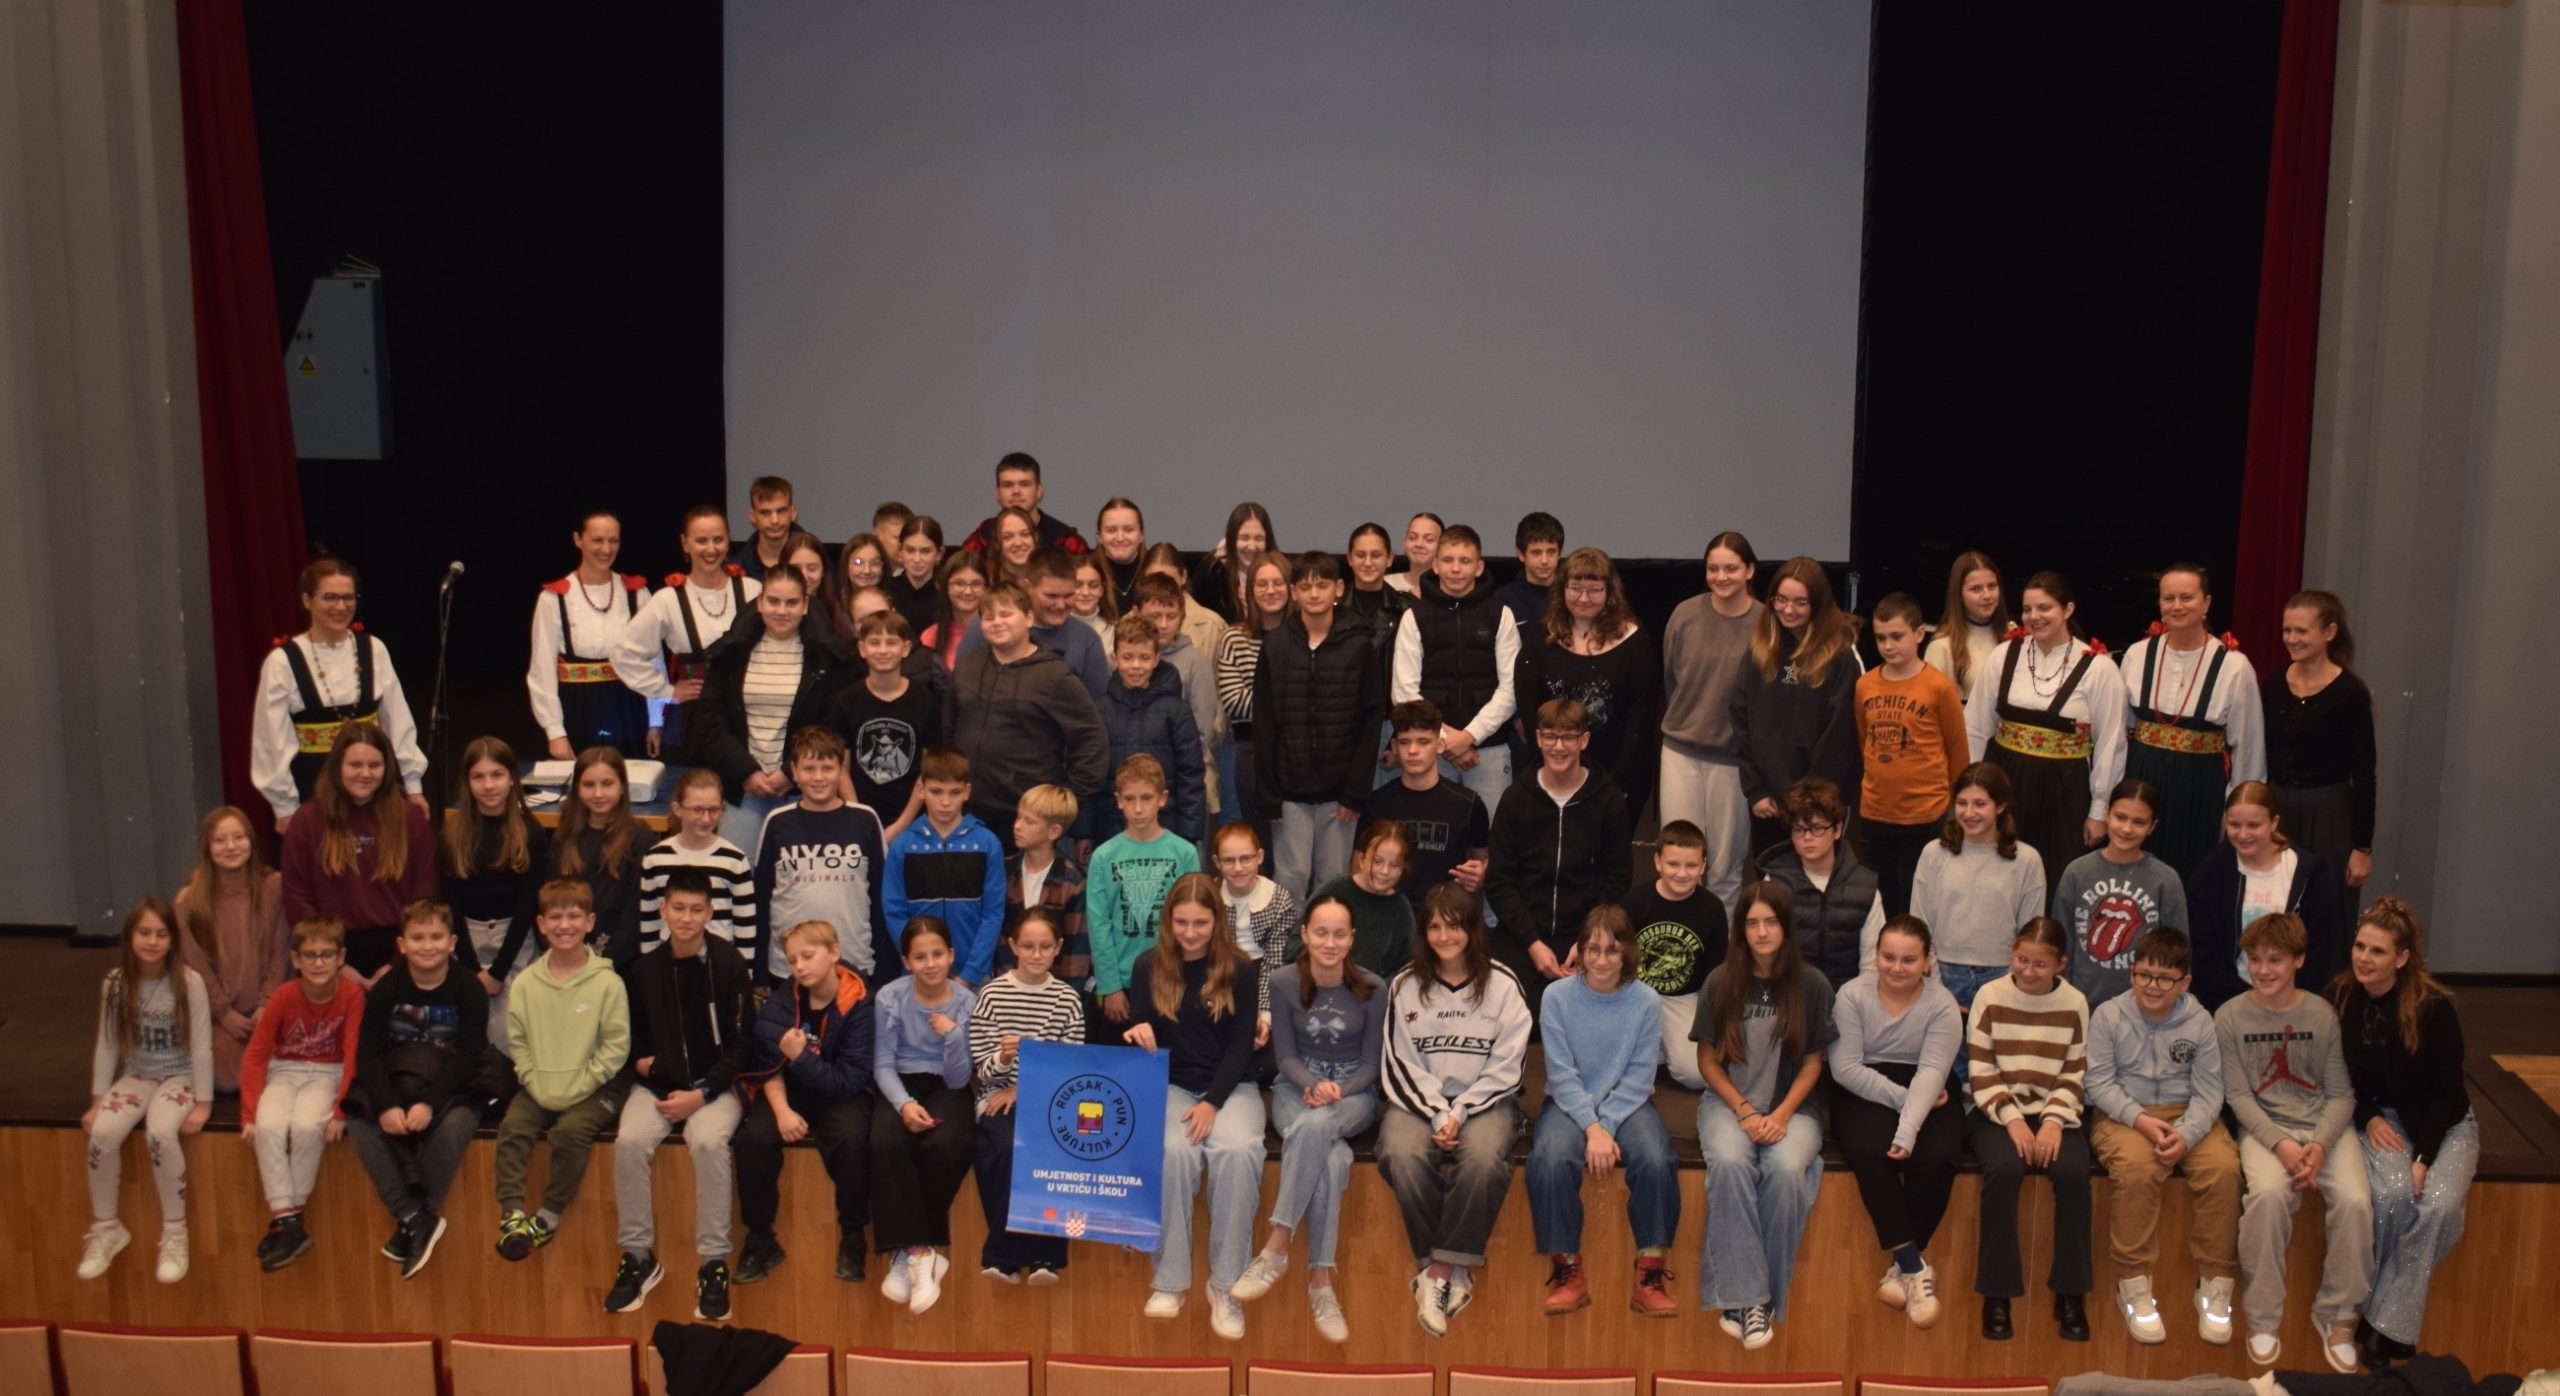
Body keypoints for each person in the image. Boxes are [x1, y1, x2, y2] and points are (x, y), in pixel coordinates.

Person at [2216, 910, 2370, 1372]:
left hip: (2324, 1128)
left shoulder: (2321, 1014)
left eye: (2275, 960)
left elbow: (2341, 1094)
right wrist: (2281, 1144)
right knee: (2265, 1197)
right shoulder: (2229, 1016)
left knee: (2356, 1202)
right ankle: (2263, 1318)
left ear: (2298, 960)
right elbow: (2238, 1097)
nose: (2263, 970)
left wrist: (2319, 1145)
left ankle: (2338, 1315)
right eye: (2255, 960)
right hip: (2266, 1130)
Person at [1379, 883, 1533, 1338]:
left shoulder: (1503, 984)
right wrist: (1436, 1112)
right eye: (1434, 927)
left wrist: (1460, 1111)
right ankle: (1449, 1271)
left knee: (1483, 1159)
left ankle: (1438, 1272)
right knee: (1401, 1154)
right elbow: (1399, 1062)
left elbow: (1509, 1065)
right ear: (1423, 932)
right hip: (1419, 1103)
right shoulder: (1405, 985)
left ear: (1472, 928)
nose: (1444, 936)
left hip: (1485, 1102)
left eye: (1454, 926)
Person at [607, 869, 759, 1321]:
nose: (687, 918)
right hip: (657, 1087)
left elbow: (742, 1046)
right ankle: (638, 1257)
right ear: (663, 910)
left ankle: (713, 1264)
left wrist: (703, 1092)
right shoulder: (643, 970)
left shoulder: (729, 964)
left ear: (710, 912)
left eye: (696, 910)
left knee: (708, 1142)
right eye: (678, 908)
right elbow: (631, 1041)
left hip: (717, 1086)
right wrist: (645, 1065)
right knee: (629, 1141)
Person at [1228, 893, 1379, 1343]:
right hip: (1296, 1087)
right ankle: (1320, 1283)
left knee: (1316, 1127)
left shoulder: (1373, 986)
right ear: (1305, 934)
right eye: (1321, 933)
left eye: (1339, 934)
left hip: (1353, 1092)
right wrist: (1312, 1084)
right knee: (1332, 1158)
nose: (1329, 943)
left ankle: (1276, 1246)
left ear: (1352, 939)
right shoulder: (1282, 980)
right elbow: (1286, 1055)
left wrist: (1338, 1090)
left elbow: (1372, 1063)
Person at [2332, 896, 2474, 1370]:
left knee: (2440, 1208)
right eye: (2360, 946)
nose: (2364, 958)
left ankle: (2380, 1323)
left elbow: (2448, 1092)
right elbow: (2341, 1077)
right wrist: (2369, 1116)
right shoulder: (2342, 998)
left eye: (2377, 951)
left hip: (2444, 1124)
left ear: (2402, 957)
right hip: (2384, 1118)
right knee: (2391, 1198)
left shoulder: (2434, 1008)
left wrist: (2424, 1158)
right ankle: (2393, 1325)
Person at [1693, 880, 1835, 1350]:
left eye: (1771, 922)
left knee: (1787, 1169)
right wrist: (1744, 1110)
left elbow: (1814, 1062)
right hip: (1728, 1104)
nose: (1761, 932)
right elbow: (1707, 1060)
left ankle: (1749, 1301)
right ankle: (1754, 1301)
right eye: (1752, 923)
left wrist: (1781, 1115)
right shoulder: (1720, 982)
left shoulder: (1812, 985)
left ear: (1786, 926)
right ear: (1740, 930)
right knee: (1731, 1162)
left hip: (1793, 1108)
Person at [2085, 927, 2241, 1348]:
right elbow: (2098, 1083)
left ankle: (2214, 1282)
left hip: (2188, 1114)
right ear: (2132, 973)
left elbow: (2210, 1091)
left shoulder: (2201, 1022)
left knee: (2224, 1169)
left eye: (2165, 979)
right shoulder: (2108, 1016)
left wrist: (2187, 1134)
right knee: (2137, 1169)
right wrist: (2141, 1121)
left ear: (2184, 982)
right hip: (2124, 1113)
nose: (2152, 986)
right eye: (2144, 975)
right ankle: (2134, 1285)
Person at [1126, 873, 1266, 1340]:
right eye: (1181, 922)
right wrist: (1138, 1035)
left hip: (1231, 1087)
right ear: (1168, 921)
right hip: (1170, 1085)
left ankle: (1226, 1286)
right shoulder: (1147, 966)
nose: (1190, 932)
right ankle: (1170, 1282)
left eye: (1200, 923)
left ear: (1217, 921)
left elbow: (1241, 1047)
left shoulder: (1241, 969)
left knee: (1238, 1152)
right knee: (1173, 1153)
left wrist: (1212, 1103)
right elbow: (1142, 1029)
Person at [1527, 905, 1679, 1318]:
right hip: (1569, 1100)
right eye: (1592, 949)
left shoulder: (1646, 1001)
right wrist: (1592, 1127)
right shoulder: (1556, 997)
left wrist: (1605, 1126)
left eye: (1612, 950)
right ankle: (1567, 1270)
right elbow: (1560, 1074)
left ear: (1628, 951)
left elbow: (1640, 1076)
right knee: (1550, 1158)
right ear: (1580, 950)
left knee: (1656, 1158)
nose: (1601, 960)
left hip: (1628, 1102)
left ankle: (1650, 1271)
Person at [1828, 914, 1965, 1331]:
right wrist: (1908, 1106)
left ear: (1926, 961)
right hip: (1866, 1084)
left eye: (1909, 960)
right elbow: (1845, 1068)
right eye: (1888, 957)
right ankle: (1912, 1263)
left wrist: (1909, 1128)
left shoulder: (1943, 1005)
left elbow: (1933, 1071)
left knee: (1939, 1156)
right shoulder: (1851, 995)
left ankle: (1901, 1268)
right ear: (1876, 955)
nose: (1897, 968)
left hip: (1929, 1084)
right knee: (1870, 1150)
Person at [344, 899, 491, 1279]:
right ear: (402, 944)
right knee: (359, 1120)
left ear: (452, 942)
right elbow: (368, 1054)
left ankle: (414, 1220)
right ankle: (413, 1215)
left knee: (455, 1125)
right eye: (418, 937)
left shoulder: (469, 989)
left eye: (436, 937)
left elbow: (470, 1054)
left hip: (453, 1083)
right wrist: (387, 1104)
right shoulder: (385, 989)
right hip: (397, 1077)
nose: (428, 946)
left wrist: (429, 1102)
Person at [1964, 917, 2094, 1343]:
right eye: (2021, 960)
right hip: (1996, 1109)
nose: (2028, 971)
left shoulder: (2074, 1003)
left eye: (2040, 964)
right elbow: (1981, 1069)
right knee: (2004, 1171)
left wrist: (2053, 1121)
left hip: (2054, 1109)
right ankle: (1997, 1294)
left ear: (2060, 964)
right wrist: (2014, 1119)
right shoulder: (1989, 996)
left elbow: (2074, 1071)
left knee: (2074, 1174)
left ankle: (2070, 1292)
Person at [493, 878, 631, 1262]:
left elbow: (616, 1048)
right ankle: (512, 1216)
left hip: (596, 1087)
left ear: (590, 923)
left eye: (573, 916)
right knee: (513, 1127)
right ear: (540, 924)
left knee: (569, 1132)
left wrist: (579, 1085)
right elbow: (518, 1042)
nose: (564, 925)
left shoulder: (608, 982)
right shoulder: (525, 983)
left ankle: (547, 1218)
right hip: (541, 1084)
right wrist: (532, 1080)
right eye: (555, 917)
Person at [77, 898, 214, 1283]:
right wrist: (97, 1101)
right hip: (138, 1074)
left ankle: (175, 1232)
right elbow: (107, 1044)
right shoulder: (116, 983)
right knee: (103, 1132)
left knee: (160, 1132)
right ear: (130, 936)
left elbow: (202, 1046)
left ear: (172, 941)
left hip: (179, 1075)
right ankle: (107, 1228)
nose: (152, 942)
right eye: (144, 933)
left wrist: (203, 1104)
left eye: (161, 934)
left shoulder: (189, 982)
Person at [733, 919, 876, 1285]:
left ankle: (853, 1237)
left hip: (842, 1093)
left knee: (851, 1139)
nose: (799, 966)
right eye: (793, 959)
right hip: (791, 1090)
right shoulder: (783, 1001)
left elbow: (848, 1081)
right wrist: (782, 1112)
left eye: (808, 956)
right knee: (753, 1140)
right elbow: (767, 1066)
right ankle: (760, 1238)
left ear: (834, 953)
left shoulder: (860, 1002)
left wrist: (800, 1058)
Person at [1966, 570, 2128, 888]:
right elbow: (1975, 727)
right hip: (2005, 786)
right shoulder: (2003, 655)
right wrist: (1972, 791)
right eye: (2027, 609)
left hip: (2064, 792)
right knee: (1997, 875)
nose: (2034, 617)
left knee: (2055, 876)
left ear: (2068, 609)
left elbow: (2111, 743)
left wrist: (2099, 811)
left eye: (2045, 608)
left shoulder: (2099, 668)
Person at [691, 566, 859, 856]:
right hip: (743, 788)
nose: (782, 611)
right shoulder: (730, 653)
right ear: (759, 603)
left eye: (792, 603)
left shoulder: (827, 658)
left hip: (803, 787)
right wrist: (746, 771)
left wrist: (789, 772)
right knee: (739, 872)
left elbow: (830, 727)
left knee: (801, 874)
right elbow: (711, 722)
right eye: (773, 601)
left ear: (805, 606)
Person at [252, 557, 428, 832]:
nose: (341, 606)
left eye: (348, 597)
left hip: (373, 783)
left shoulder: (374, 649)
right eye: (329, 597)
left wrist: (413, 785)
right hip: (314, 785)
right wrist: (284, 807)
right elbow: (270, 739)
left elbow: (397, 721)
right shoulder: (283, 662)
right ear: (307, 600)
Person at [2119, 564, 2267, 880]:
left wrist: (2238, 813)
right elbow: (2120, 734)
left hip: (2199, 788)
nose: (2177, 606)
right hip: (2143, 782)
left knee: (2191, 874)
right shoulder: (2137, 655)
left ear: (2206, 603)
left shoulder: (2234, 666)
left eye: (2186, 597)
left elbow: (2249, 748)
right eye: (2168, 598)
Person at [1255, 549, 1386, 904]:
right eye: (1305, 586)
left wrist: (1355, 790)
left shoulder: (1359, 645)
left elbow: (1371, 719)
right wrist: (1269, 794)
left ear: (1338, 588)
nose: (1314, 594)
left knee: (1335, 881)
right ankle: (1288, 943)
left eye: (1322, 585)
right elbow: (1264, 724)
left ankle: (1333, 943)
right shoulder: (1276, 645)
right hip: (1289, 791)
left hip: (1340, 793)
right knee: (1290, 879)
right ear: (1293, 592)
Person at [1484, 698, 1632, 1000]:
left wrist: (1588, 940)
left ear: (1584, 740)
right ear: (1538, 738)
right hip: (1522, 933)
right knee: (1513, 1012)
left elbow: (1618, 879)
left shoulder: (1609, 801)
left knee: (1587, 1008)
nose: (1559, 747)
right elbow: (1499, 882)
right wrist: (1532, 943)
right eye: (1550, 736)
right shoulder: (1515, 799)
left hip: (1585, 935)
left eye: (1568, 737)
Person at [944, 579, 1112, 845]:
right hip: (967, 812)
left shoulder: (1055, 675)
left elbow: (1091, 741)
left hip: (1028, 819)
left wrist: (1066, 801)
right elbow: (948, 731)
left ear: (1029, 618)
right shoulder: (967, 666)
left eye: (1005, 614)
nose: (997, 622)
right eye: (988, 617)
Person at [240, 915, 364, 1272]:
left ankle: (285, 1221)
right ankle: (288, 1218)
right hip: (285, 1069)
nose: (319, 963)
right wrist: (248, 1114)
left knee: (308, 1126)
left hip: (328, 1072)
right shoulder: (284, 995)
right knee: (268, 1126)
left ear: (341, 957)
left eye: (327, 954)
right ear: (295, 959)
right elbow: (256, 1055)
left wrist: (340, 1111)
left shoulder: (352, 995)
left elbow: (353, 1056)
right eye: (310, 955)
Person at [969, 907, 1086, 1283]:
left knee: (1050, 1147)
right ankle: (1002, 1257)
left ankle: (1045, 1256)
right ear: (1013, 946)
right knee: (1002, 1147)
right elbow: (983, 1069)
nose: (1037, 954)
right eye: (1028, 946)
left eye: (1045, 946)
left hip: (1051, 1101)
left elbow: (1070, 1068)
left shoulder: (1067, 999)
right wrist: (1004, 1058)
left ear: (1059, 948)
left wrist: (1025, 1088)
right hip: (997, 1095)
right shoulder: (992, 994)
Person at [868, 917, 977, 1314]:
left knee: (946, 1144)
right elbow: (882, 1064)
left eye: (937, 954)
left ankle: (909, 1253)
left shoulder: (967, 1002)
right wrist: (903, 1104)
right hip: (900, 1082)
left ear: (951, 955)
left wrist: (952, 1035)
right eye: (920, 957)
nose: (930, 964)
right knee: (884, 1143)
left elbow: (960, 1077)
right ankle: (921, 1252)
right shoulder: (890, 997)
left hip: (947, 1083)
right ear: (906, 962)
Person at [1513, 547, 1661, 824]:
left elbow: (1640, 720)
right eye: (1575, 588)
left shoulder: (1636, 645)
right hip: (1554, 772)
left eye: (1594, 590)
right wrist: (1548, 769)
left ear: (1610, 593)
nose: (1583, 598)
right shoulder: (1540, 638)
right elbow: (1528, 706)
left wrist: (1617, 786)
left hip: (1618, 778)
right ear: (1562, 589)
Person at [282, 721, 438, 981]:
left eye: (374, 765)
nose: (365, 773)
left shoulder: (410, 818)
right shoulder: (307, 820)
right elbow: (296, 898)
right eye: (355, 765)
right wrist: (333, 961)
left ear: (387, 768)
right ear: (337, 766)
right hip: (329, 955)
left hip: (401, 953)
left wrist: (398, 963)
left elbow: (425, 897)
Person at [1735, 557, 1864, 859]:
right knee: (1771, 883)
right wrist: (1756, 790)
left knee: (1816, 882)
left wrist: (1809, 803)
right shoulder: (1760, 648)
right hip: (1768, 803)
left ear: (1817, 604)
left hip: (1818, 807)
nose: (1788, 609)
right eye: (1781, 599)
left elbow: (1840, 738)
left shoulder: (1840, 656)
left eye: (1800, 602)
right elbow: (1740, 720)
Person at [1660, 530, 1763, 906]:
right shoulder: (1684, 615)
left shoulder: (1766, 623)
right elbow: (1672, 679)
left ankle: (1722, 945)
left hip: (1733, 761)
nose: (1721, 577)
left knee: (1724, 871)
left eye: (1731, 568)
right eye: (1713, 568)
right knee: (1679, 864)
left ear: (1750, 570)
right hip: (1680, 752)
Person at [1390, 524, 1521, 816]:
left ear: (1479, 567)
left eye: (1465, 561)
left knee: (1491, 834)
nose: (1456, 569)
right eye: (1448, 560)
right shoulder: (1415, 616)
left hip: (1489, 750)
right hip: (1430, 750)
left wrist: (1470, 736)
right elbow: (1404, 692)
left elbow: (1511, 688)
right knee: (1430, 833)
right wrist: (1446, 740)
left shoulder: (1500, 614)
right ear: (1435, 565)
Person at [612, 505, 758, 762]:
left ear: (728, 541)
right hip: (695, 719)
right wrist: (667, 691)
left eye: (718, 539)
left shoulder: (753, 590)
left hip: (748, 714)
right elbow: (623, 653)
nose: (711, 549)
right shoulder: (667, 599)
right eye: (701, 540)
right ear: (685, 543)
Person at [1856, 592, 1971, 916]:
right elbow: (1865, 741)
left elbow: (1957, 752)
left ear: (1919, 634)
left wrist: (1953, 808)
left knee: (1917, 904)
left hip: (1925, 815)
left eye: (1897, 636)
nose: (1888, 646)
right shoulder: (1865, 685)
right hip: (1876, 813)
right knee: (1879, 904)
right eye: (1880, 638)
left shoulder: (1939, 687)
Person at [2188, 781, 2349, 1010]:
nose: (2243, 834)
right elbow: (2204, 951)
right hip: (2228, 1004)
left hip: (2292, 1005)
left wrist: (2290, 1000)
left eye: (2253, 825)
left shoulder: (2309, 873)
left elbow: (2320, 949)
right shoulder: (2211, 873)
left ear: (2274, 822)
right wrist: (2244, 1002)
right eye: (2234, 824)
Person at [2266, 589, 2377, 916]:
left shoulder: (2349, 694)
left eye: (2302, 630)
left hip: (2329, 817)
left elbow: (2365, 775)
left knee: (2326, 909)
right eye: (2287, 630)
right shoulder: (2275, 682)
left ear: (2329, 632)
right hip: (2280, 811)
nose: (2292, 638)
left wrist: (2361, 848)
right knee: (2275, 905)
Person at [752, 725, 890, 983]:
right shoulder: (777, 822)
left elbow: (881, 897)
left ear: (841, 771)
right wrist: (759, 970)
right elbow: (761, 898)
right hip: (789, 966)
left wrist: (885, 968)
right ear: (794, 771)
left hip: (854, 961)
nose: (818, 777)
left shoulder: (865, 820)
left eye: (827, 768)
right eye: (809, 769)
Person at [1910, 762, 2047, 1013]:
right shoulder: (1933, 854)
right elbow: (1919, 924)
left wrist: (2009, 985)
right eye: (1962, 803)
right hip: (1942, 974)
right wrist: (1936, 988)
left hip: (2002, 977)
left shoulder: (2027, 860)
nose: (1969, 813)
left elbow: (2030, 933)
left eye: (1980, 804)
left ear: (2001, 806)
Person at [439, 738, 548, 1044]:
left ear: (512, 778)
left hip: (514, 941)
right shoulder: (452, 834)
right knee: (466, 1029)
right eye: (478, 776)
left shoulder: (530, 832)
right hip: (465, 941)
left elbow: (528, 906)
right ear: (467, 782)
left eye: (497, 775)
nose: (488, 785)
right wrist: (472, 969)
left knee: (511, 1032)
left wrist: (498, 972)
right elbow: (450, 904)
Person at [1088, 755, 1207, 1031]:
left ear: (1162, 798)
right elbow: (1098, 925)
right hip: (1122, 981)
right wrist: (1110, 986)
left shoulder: (1184, 853)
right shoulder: (1103, 857)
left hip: (1172, 977)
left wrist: (1189, 977)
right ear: (1118, 800)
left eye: (1146, 798)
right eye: (1129, 799)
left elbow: (1195, 920)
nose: (1138, 809)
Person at [174, 804, 286, 1093]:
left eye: (239, 837)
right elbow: (196, 967)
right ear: (207, 847)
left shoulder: (273, 887)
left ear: (251, 841)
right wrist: (224, 1014)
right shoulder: (190, 900)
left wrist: (266, 1004)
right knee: (231, 1080)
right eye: (220, 840)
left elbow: (281, 952)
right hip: (219, 1015)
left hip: (267, 1007)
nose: (231, 846)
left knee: (287, 1071)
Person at [528, 510, 653, 759]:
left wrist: (655, 723)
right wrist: (555, 732)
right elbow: (542, 668)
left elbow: (653, 661)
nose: (606, 549)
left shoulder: (637, 594)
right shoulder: (554, 598)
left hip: (627, 706)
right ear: (578, 540)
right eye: (597, 540)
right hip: (577, 706)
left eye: (613, 540)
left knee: (629, 777)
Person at [2055, 778, 2188, 1008]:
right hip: (2083, 1004)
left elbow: (2179, 952)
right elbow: (2061, 943)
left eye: (2139, 822)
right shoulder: (2077, 872)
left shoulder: (2166, 880)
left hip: (2144, 1008)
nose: (2127, 829)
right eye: (2120, 817)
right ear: (2107, 814)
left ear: (2152, 827)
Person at [882, 747, 1009, 984]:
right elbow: (894, 911)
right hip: (918, 975)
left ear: (967, 791)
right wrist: (918, 961)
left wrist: (970, 974)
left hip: (973, 977)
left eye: (954, 792)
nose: (945, 802)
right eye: (936, 792)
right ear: (921, 790)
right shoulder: (903, 846)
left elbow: (993, 914)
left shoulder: (987, 843)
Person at [1755, 776, 1884, 991]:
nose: (1807, 838)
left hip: (1848, 998)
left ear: (1837, 830)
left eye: (1816, 828)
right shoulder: (1774, 882)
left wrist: (1851, 1002)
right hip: (1789, 995)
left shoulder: (1865, 886)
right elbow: (1765, 953)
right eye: (1799, 829)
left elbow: (1871, 966)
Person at [1361, 700, 1490, 912]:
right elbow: (1359, 869)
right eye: (1405, 742)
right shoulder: (1376, 804)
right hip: (1389, 916)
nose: (1413, 750)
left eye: (1423, 741)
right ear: (1394, 746)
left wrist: (1481, 873)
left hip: (1446, 919)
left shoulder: (1468, 805)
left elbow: (1481, 862)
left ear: (1440, 745)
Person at [1627, 821, 1726, 1090]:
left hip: (1683, 998)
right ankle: (1654, 1042)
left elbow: (1714, 974)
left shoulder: (1713, 909)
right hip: (1637, 993)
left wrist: (1709, 1021)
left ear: (1703, 866)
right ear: (1657, 862)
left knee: (1696, 1075)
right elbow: (1620, 959)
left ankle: (1661, 1043)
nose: (1682, 873)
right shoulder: (1636, 901)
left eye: (1691, 866)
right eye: (1673, 864)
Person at [827, 609, 940, 841]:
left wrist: (902, 824)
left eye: (891, 642)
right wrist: (859, 816)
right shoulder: (845, 700)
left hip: (912, 820)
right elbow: (841, 769)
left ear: (905, 648)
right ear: (862, 649)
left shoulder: (925, 701)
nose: (883, 650)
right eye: (874, 642)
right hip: (858, 818)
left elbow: (928, 771)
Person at [1095, 616, 1209, 846]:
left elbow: (1191, 776)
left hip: (1166, 828)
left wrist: (1189, 832)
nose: (1136, 666)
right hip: (1110, 828)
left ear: (1156, 659)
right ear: (1114, 659)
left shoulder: (1177, 711)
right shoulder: (1098, 709)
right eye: (1127, 657)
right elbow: (1091, 774)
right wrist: (1084, 832)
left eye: (1144, 658)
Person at [544, 746, 658, 972]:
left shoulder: (640, 838)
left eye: (607, 784)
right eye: (588, 785)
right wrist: (569, 953)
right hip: (568, 956)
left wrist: (601, 961)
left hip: (618, 963)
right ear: (577, 788)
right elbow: (550, 901)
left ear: (622, 787)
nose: (598, 794)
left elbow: (635, 912)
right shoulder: (564, 838)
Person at [1131, 570, 1226, 812]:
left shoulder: (1195, 662)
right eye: (1154, 616)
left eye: (1171, 616)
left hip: (1183, 783)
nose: (1163, 625)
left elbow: (1201, 732)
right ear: (1136, 614)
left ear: (1182, 618)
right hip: (1133, 784)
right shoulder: (1126, 660)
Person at [961, 548, 1111, 698]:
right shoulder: (992, 626)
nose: (1061, 605)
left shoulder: (1086, 639)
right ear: (1027, 586)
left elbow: (1099, 705)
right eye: (1051, 596)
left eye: (1068, 595)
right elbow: (961, 687)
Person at [1213, 552, 1291, 840]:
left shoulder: (1304, 638)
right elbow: (1235, 703)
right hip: (1250, 754)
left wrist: (1267, 700)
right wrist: (1287, 701)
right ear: (1250, 590)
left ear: (1290, 587)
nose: (1270, 590)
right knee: (1261, 843)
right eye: (1262, 584)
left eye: (1277, 583)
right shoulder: (1234, 638)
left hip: (1297, 754)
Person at [636, 768, 755, 956]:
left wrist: (743, 970)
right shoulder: (655, 859)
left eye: (713, 810)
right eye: (697, 810)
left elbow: (745, 928)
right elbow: (649, 925)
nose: (706, 818)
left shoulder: (735, 861)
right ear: (678, 809)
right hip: (670, 963)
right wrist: (650, 969)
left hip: (720, 964)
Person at [1205, 820, 1297, 1035]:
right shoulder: (1210, 895)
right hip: (1219, 971)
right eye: (1229, 860)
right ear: (1217, 862)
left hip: (1262, 973)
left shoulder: (1278, 898)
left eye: (1245, 858)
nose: (1238, 868)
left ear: (1260, 857)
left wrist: (1264, 1014)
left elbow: (1274, 962)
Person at [1300, 819, 1421, 978]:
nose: (1384, 871)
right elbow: (1295, 943)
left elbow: (1405, 967)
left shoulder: (1402, 910)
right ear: (1361, 859)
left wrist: (1377, 988)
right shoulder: (1334, 890)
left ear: (1403, 869)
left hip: (1373, 990)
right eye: (1377, 861)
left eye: (1394, 865)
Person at [1007, 786, 1088, 990]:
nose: (1017, 826)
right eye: (1018, 817)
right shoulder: (1004, 871)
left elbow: (1075, 949)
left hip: (1054, 989)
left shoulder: (1073, 882)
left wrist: (1066, 997)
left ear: (1054, 832)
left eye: (1029, 821)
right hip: (1009, 987)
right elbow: (1000, 940)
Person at [1927, 551, 2011, 710]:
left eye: (1992, 586)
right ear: (1959, 594)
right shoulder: (1942, 645)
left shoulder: (2012, 635)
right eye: (1976, 589)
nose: (1987, 595)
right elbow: (1931, 706)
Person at [962, 451, 1089, 556]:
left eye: (1024, 484)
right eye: (1008, 485)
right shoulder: (981, 540)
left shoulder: (1066, 542)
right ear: (998, 493)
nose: (1016, 491)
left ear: (1039, 490)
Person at [1139, 541, 1233, 664]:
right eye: (1154, 580)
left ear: (1183, 576)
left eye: (1169, 581)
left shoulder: (1213, 627)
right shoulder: (1126, 623)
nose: (1162, 587)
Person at [1190, 501, 1278, 624]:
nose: (1252, 547)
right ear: (1231, 539)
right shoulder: (1211, 574)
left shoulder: (1282, 575)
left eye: (1259, 538)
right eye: (1244, 538)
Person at [1343, 522, 1412, 647]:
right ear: (1349, 559)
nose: (1368, 563)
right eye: (1360, 555)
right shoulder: (1332, 605)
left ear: (1389, 559)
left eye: (1376, 555)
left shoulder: (1406, 608)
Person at [1495, 511, 1564, 637]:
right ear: (1521, 554)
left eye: (1551, 552)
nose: (1544, 560)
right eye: (1536, 553)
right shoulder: (1503, 599)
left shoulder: (1573, 596)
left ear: (1560, 553)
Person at [921, 550, 990, 672]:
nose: (968, 592)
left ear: (986, 588)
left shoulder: (997, 631)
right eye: (959, 583)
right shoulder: (930, 637)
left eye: (976, 584)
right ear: (946, 587)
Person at [779, 530, 848, 650]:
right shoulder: (773, 614)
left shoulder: (839, 616)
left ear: (823, 572)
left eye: (812, 568)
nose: (804, 576)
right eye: (796, 569)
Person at [727, 475, 806, 578]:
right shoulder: (735, 569)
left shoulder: (813, 564)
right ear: (752, 516)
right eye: (765, 512)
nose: (775, 520)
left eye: (781, 511)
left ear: (793, 513)